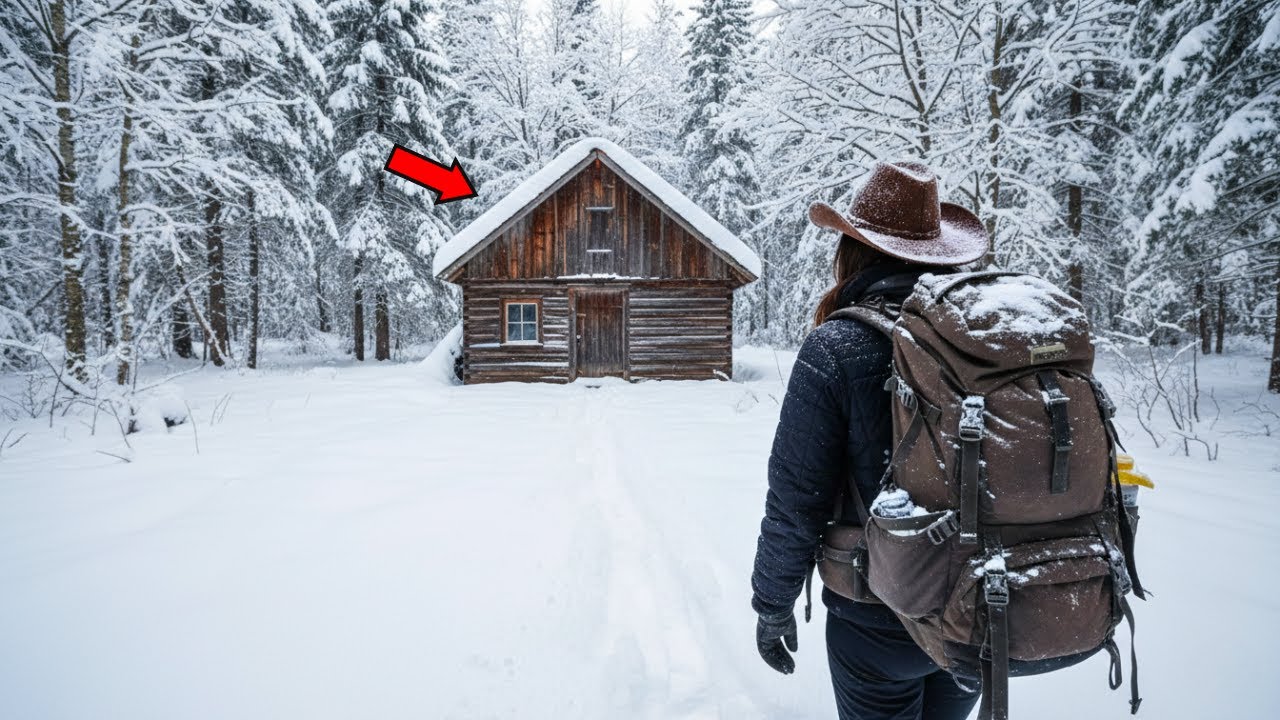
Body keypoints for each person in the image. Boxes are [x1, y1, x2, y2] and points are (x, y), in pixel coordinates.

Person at [750, 162, 990, 720]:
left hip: (877, 612)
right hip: (976, 608)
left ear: (854, 251)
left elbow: (796, 498)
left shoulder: (838, 346)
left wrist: (773, 604)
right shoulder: (979, 337)